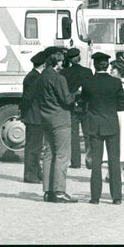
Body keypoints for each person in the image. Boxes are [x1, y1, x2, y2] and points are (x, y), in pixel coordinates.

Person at [81, 52, 124, 204]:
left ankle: (95, 197)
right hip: (111, 125)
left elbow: (83, 104)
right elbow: (122, 105)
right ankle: (117, 197)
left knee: (96, 162)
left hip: (94, 125)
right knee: (114, 161)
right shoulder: (116, 82)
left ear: (94, 65)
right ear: (107, 65)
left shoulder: (88, 83)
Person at [39, 47, 77, 203]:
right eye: (62, 62)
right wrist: (76, 93)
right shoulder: (59, 78)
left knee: (49, 154)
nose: (63, 65)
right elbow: (66, 99)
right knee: (62, 156)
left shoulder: (42, 76)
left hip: (45, 118)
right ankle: (60, 191)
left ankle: (48, 191)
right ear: (58, 62)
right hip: (60, 119)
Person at [59, 48, 93, 169]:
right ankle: (90, 161)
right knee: (88, 134)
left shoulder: (63, 73)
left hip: (71, 106)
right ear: (79, 58)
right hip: (85, 106)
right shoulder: (87, 72)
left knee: (73, 135)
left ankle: (75, 162)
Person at [20, 50, 46, 183]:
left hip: (34, 116)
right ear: (43, 64)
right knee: (33, 148)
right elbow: (28, 98)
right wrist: (23, 112)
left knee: (35, 147)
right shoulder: (34, 78)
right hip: (34, 117)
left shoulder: (32, 76)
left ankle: (35, 172)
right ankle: (30, 175)